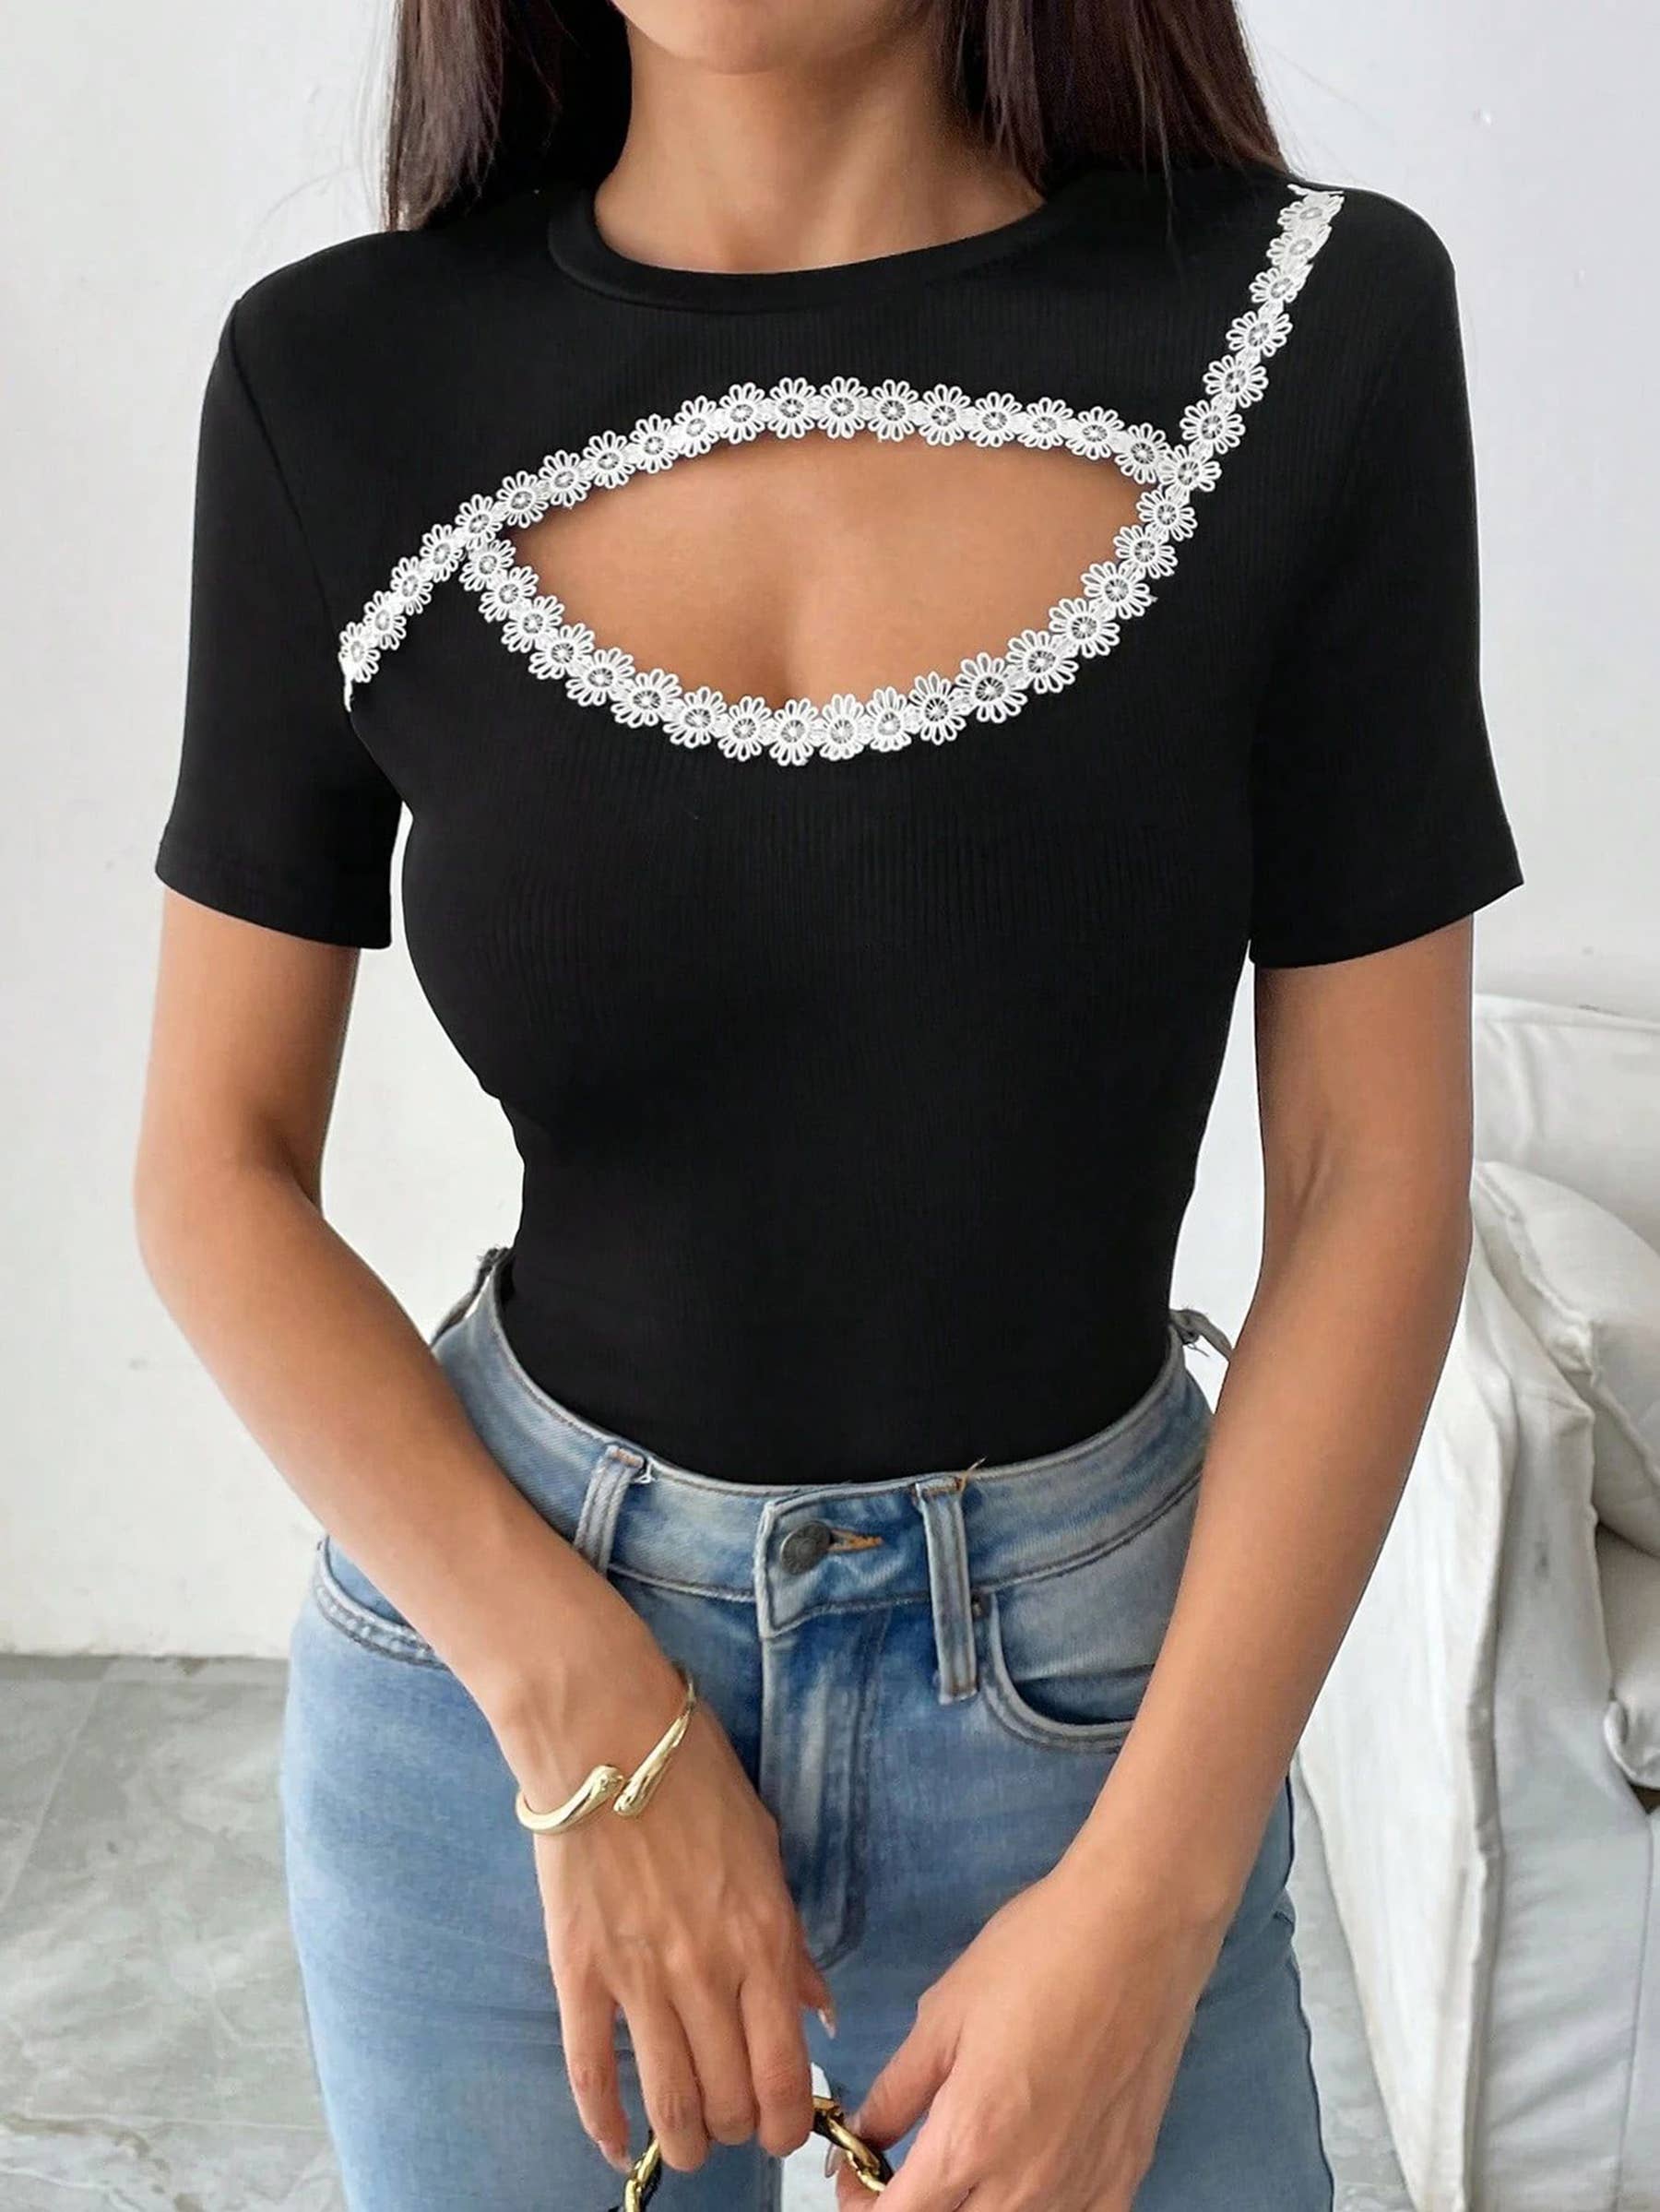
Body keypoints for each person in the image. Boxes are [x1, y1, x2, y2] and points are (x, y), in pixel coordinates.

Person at [134, 1, 1524, 2205]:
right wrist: (583, 1718)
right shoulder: (337, 375)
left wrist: (1152, 1904)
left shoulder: (1309, 329)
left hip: (1103, 1739)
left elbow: (1374, 1173)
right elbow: (212, 1171)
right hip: (500, 1715)